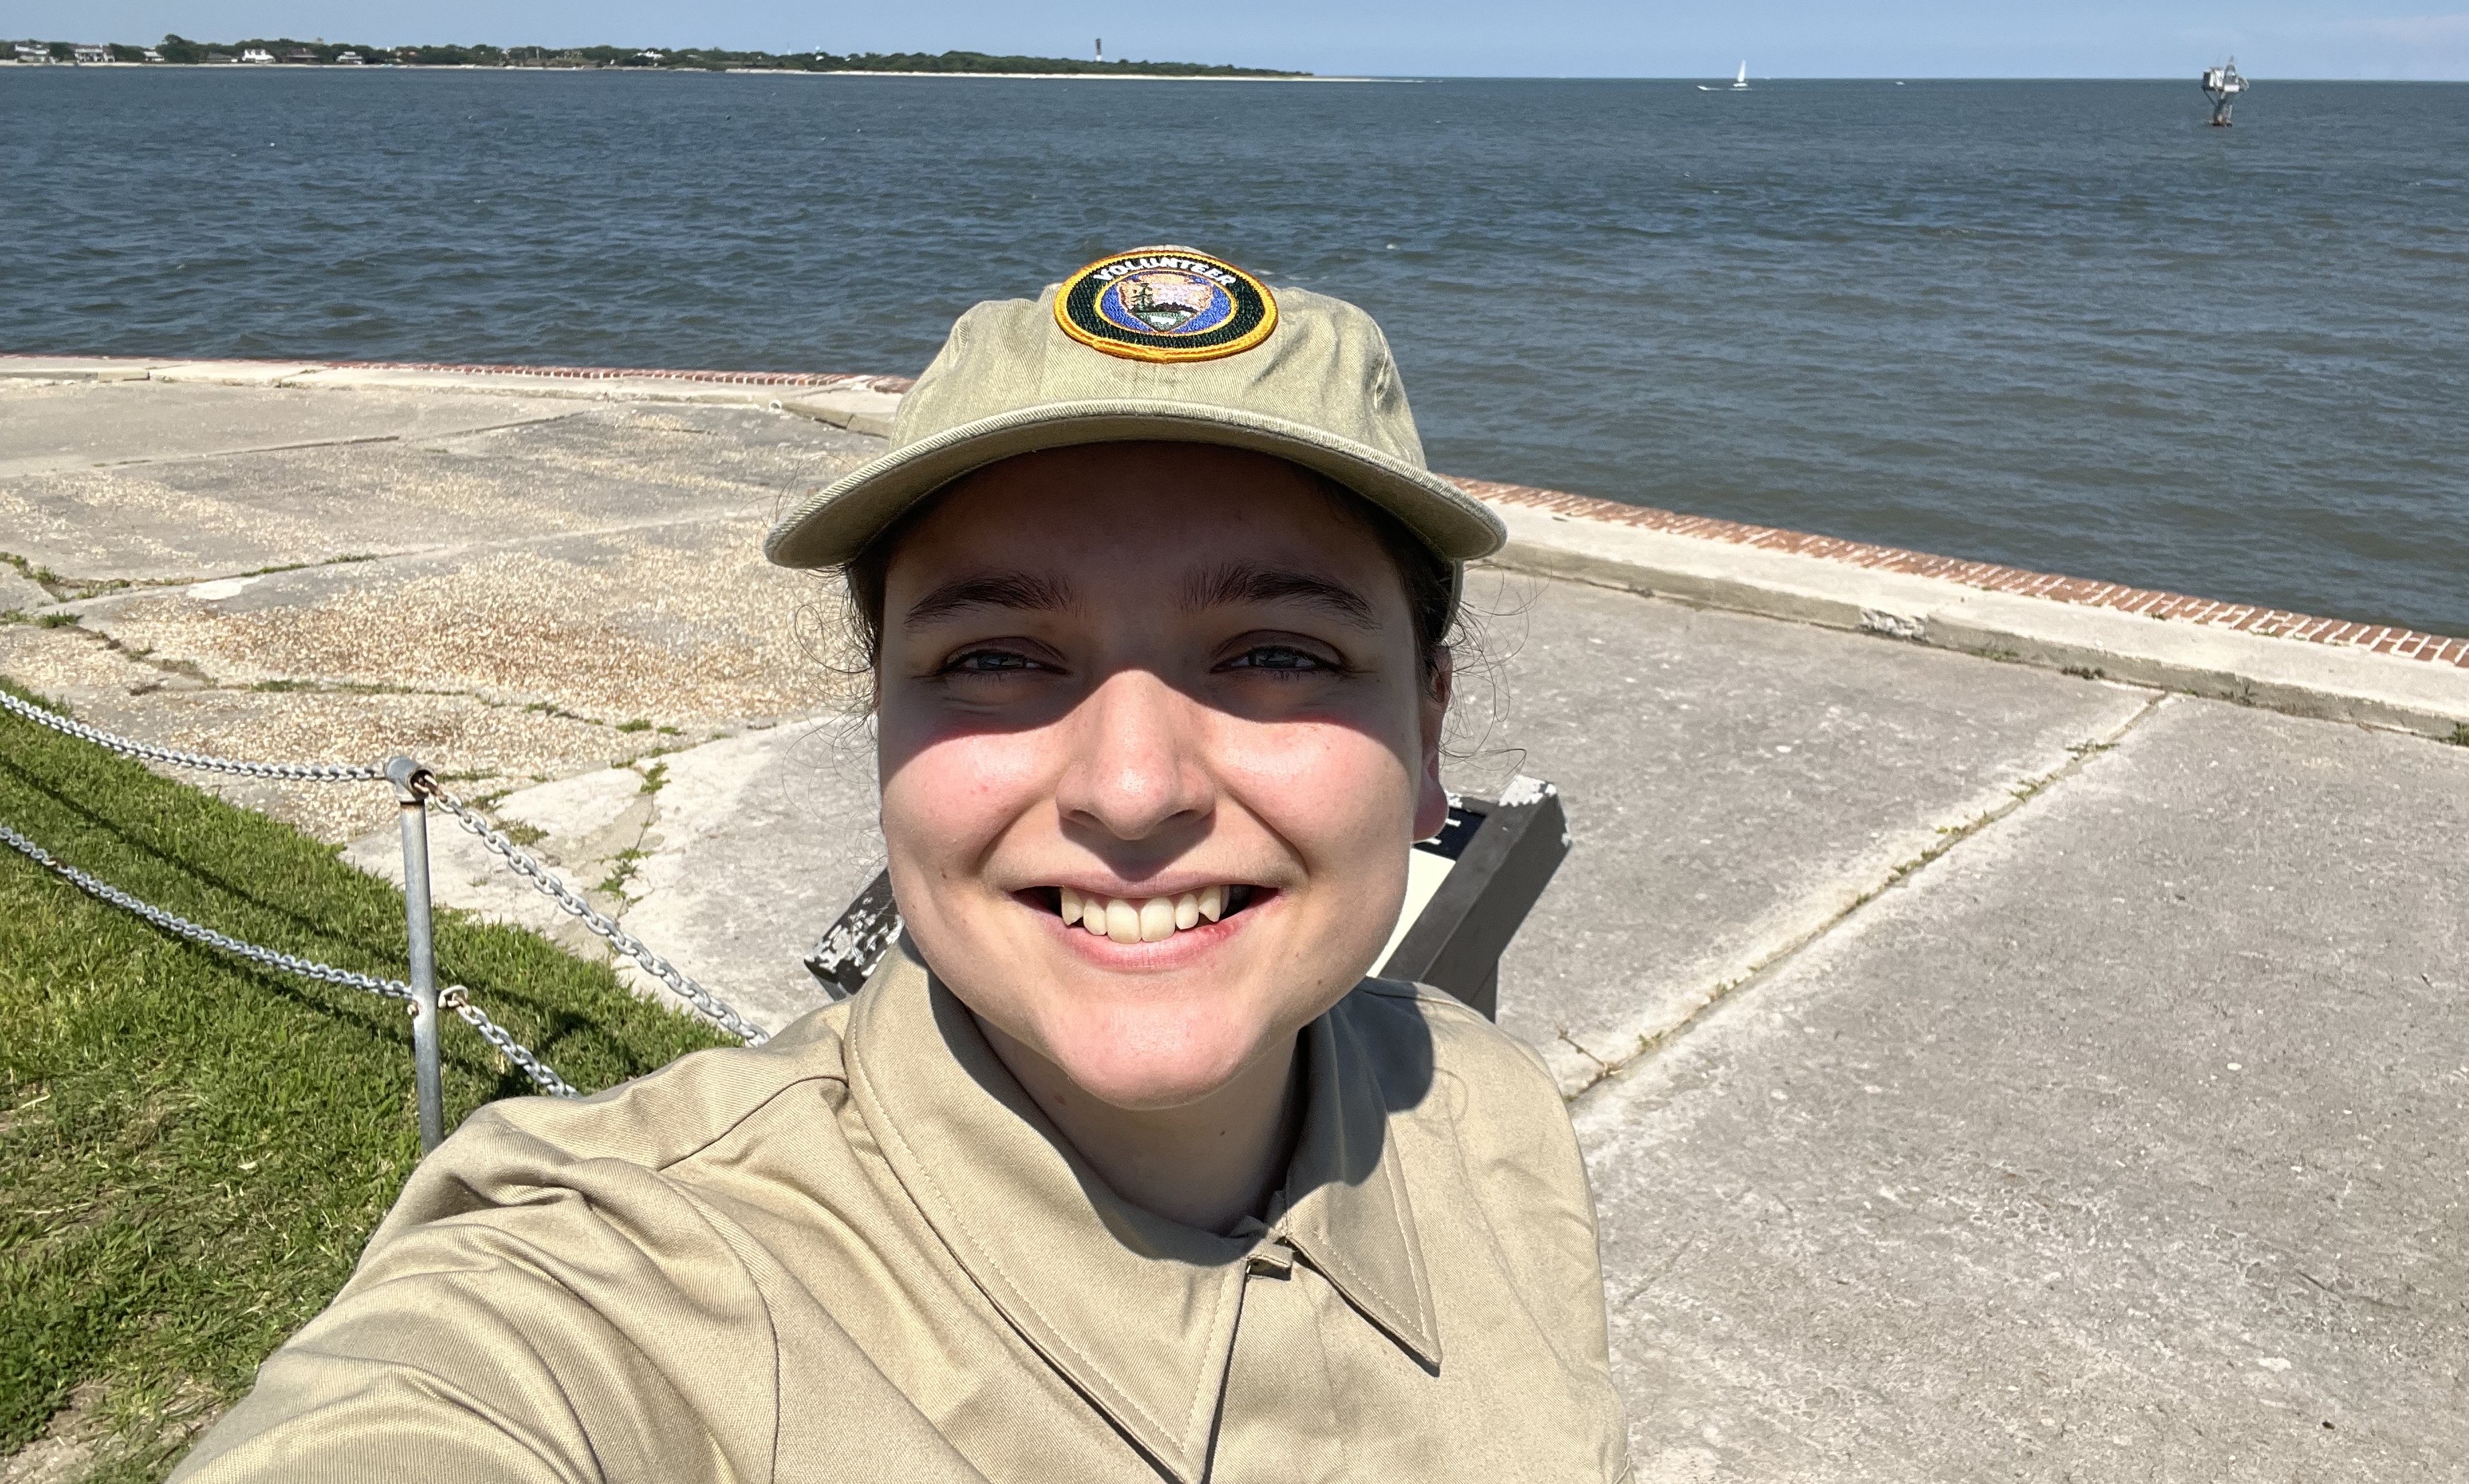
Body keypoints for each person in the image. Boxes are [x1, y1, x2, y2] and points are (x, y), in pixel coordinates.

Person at [174, 246, 1630, 1483]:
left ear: (1426, 729)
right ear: (884, 725)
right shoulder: (627, 1286)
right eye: (996, 657)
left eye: (1277, 654)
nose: (1132, 790)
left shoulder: (1490, 1116)